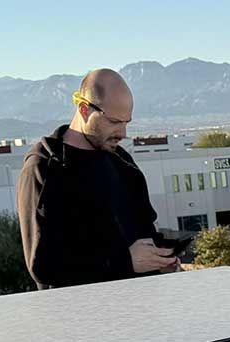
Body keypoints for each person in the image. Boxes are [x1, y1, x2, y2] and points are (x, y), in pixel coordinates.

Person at [17, 68, 178, 289]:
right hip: (80, 309)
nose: (122, 133)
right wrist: (124, 261)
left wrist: (160, 260)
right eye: (114, 122)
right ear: (84, 110)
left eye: (126, 122)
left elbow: (144, 234)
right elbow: (44, 266)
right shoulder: (44, 168)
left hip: (139, 304)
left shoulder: (122, 162)